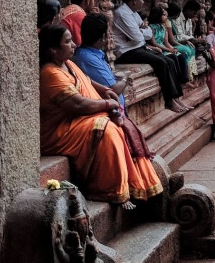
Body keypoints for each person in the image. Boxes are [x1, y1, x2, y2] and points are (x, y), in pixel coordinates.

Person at [39, 24, 162, 207]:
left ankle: (133, 182)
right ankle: (110, 189)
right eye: (68, 42)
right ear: (53, 50)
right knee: (107, 130)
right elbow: (78, 104)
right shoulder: (50, 73)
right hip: (59, 131)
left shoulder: (68, 63)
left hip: (77, 121)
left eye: (72, 39)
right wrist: (108, 103)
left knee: (122, 125)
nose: (74, 45)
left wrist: (105, 91)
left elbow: (86, 81)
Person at [73, 12, 159, 173]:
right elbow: (112, 89)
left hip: (115, 113)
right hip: (107, 115)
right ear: (102, 37)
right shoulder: (86, 57)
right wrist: (125, 78)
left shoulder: (93, 55)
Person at [112, 0, 190, 114]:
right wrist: (142, 30)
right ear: (134, 0)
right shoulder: (122, 13)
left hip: (138, 47)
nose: (143, 1)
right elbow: (138, 36)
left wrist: (141, 30)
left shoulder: (134, 13)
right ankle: (169, 100)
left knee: (170, 60)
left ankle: (177, 98)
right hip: (126, 52)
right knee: (161, 62)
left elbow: (148, 33)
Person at [148, 5, 191, 85]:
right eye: (164, 15)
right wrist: (169, 50)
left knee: (181, 56)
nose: (166, 18)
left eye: (167, 16)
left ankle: (185, 80)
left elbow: (166, 42)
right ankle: (177, 81)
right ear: (157, 15)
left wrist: (173, 49)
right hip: (158, 50)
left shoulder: (163, 28)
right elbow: (154, 43)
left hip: (165, 48)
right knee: (173, 57)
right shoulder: (151, 28)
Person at [167, 2, 198, 72]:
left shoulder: (170, 21)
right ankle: (187, 72)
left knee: (192, 48)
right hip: (173, 43)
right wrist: (186, 42)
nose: (195, 16)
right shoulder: (169, 21)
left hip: (177, 42)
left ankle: (190, 71)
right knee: (186, 50)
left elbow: (190, 34)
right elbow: (172, 40)